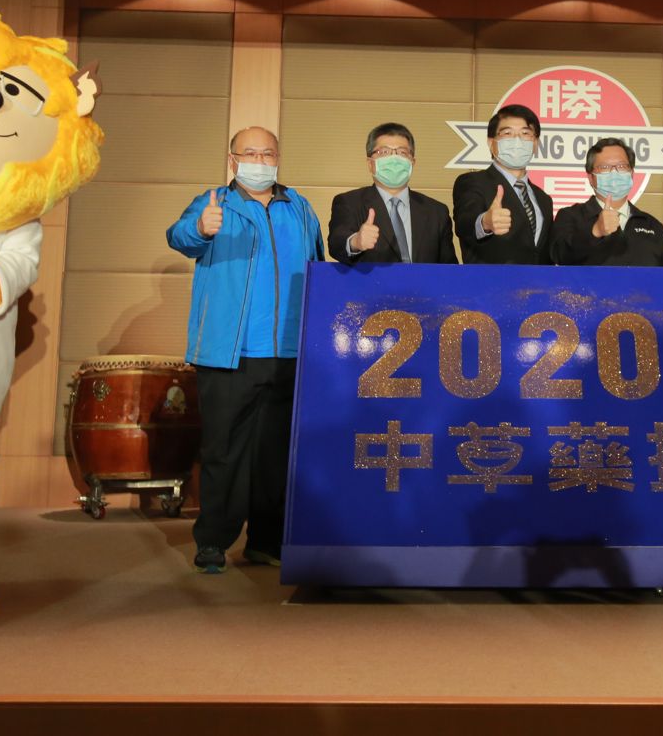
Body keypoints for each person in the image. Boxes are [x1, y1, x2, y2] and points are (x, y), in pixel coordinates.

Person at [165, 126, 325, 573]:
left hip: (289, 351)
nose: (260, 161)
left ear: (278, 157)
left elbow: (318, 263)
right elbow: (179, 237)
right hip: (228, 352)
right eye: (250, 153)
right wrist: (200, 228)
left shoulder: (300, 207)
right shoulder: (215, 203)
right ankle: (213, 541)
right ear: (233, 160)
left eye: (267, 153)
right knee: (223, 450)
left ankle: (266, 542)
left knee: (277, 453)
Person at [327, 122, 457, 264]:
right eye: (384, 152)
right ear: (370, 164)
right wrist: (355, 242)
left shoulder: (437, 212)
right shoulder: (349, 202)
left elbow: (449, 269)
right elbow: (336, 244)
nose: (394, 159)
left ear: (412, 162)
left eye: (402, 152)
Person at [452, 103, 554, 265]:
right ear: (491, 142)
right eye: (507, 133)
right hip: (490, 281)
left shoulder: (543, 199)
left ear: (535, 143)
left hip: (537, 282)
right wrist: (485, 222)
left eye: (525, 133)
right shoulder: (473, 182)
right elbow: (465, 223)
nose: (517, 140)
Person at [551, 137, 663, 267]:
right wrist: (595, 232)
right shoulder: (570, 216)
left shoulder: (652, 226)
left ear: (631, 173)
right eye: (604, 167)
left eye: (621, 166)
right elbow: (559, 256)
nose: (614, 173)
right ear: (591, 177)